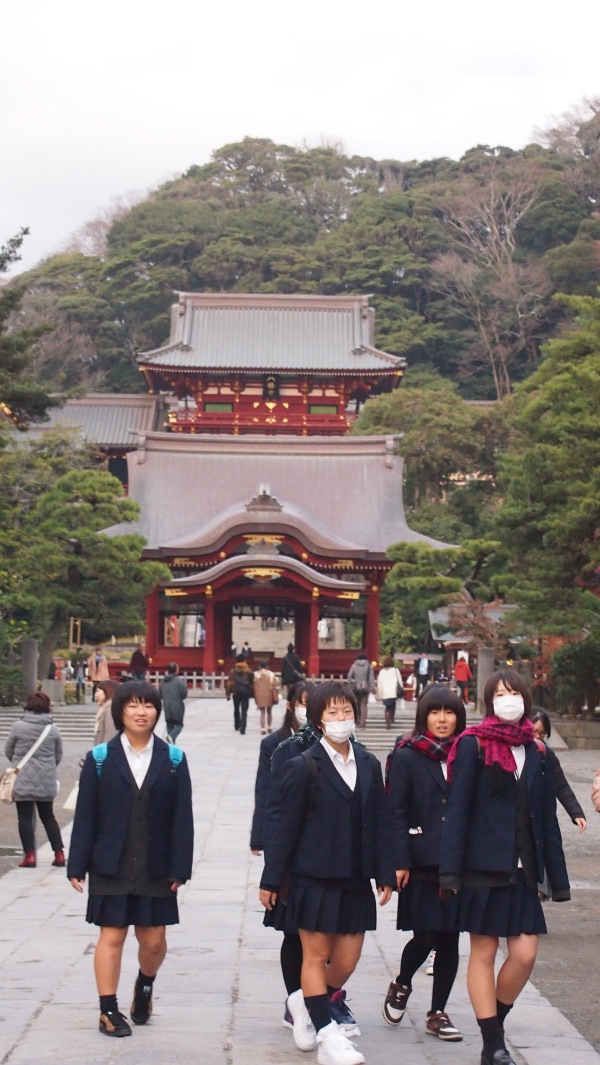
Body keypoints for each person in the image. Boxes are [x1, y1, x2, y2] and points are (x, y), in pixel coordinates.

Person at [439, 668, 571, 1065]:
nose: (507, 699)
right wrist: (450, 872)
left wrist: (556, 878)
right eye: (499, 693)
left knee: (525, 954)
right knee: (483, 950)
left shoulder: (536, 749)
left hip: (523, 868)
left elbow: (545, 816)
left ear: (525, 700)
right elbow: (457, 810)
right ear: (488, 701)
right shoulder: (472, 744)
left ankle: (493, 1026)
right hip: (482, 864)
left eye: (514, 692)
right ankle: (493, 1044)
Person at [260, 681, 394, 1065]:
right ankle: (328, 1036)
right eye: (332, 713)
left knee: (347, 961)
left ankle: (305, 1001)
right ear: (318, 719)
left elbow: (381, 821)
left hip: (355, 880)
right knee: (315, 957)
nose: (341, 719)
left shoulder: (368, 764)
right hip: (312, 877)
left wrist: (384, 871)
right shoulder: (302, 766)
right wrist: (271, 880)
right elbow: (284, 829)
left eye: (347, 711)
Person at [67, 680, 193, 1039]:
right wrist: (77, 864)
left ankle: (145, 985)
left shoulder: (173, 760)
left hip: (156, 864)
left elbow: (182, 818)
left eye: (149, 706)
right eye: (133, 706)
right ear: (120, 710)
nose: (141, 712)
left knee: (153, 941)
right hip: (111, 862)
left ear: (157, 711)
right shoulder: (100, 760)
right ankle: (108, 1010)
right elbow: (86, 815)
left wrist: (179, 868)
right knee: (112, 936)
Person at [383, 685, 466, 1041]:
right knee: (427, 933)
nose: (442, 719)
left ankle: (438, 1012)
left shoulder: (469, 754)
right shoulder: (406, 756)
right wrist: (399, 860)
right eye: (435, 712)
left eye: (449, 713)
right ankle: (402, 983)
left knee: (450, 938)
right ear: (424, 716)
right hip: (420, 859)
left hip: (459, 860)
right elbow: (395, 811)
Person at [5, 691, 65, 868]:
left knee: (24, 818)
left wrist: (17, 763)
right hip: (46, 779)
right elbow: (58, 754)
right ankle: (59, 854)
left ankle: (29, 856)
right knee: (48, 817)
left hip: (22, 777)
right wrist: (48, 768)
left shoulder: (18, 726)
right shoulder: (52, 728)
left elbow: (8, 750)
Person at [531, 709, 586, 831]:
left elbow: (561, 785)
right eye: (534, 731)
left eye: (542, 733)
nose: (538, 736)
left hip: (542, 814)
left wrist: (576, 813)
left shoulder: (547, 754)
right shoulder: (514, 750)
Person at [226, 654, 254, 734]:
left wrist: (228, 694)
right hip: (245, 691)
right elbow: (252, 682)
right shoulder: (249, 670)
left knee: (236, 709)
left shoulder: (233, 671)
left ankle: (237, 725)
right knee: (244, 710)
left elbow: (229, 683)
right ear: (244, 660)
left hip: (236, 691)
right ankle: (243, 727)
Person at [159, 663, 188, 743]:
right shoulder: (179, 681)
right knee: (179, 725)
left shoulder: (163, 681)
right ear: (176, 670)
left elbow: (160, 694)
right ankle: (171, 736)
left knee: (170, 725)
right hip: (177, 705)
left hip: (166, 705)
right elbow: (184, 694)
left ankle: (171, 746)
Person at [346, 653, 375, 729]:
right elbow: (371, 678)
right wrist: (372, 687)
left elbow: (349, 675)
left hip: (356, 687)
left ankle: (357, 720)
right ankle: (363, 722)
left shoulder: (354, 666)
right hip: (365, 687)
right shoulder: (369, 666)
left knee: (356, 704)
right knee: (363, 705)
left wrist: (350, 684)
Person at [376, 656, 404, 729]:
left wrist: (380, 693)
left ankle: (387, 722)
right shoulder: (395, 670)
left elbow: (380, 683)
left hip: (385, 692)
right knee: (393, 705)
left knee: (387, 708)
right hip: (394, 691)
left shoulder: (382, 672)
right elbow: (400, 681)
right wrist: (401, 690)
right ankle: (391, 718)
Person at [253, 660, 279, 735]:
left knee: (262, 713)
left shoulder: (255, 674)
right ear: (267, 667)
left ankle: (262, 728)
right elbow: (274, 684)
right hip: (269, 694)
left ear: (259, 667)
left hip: (259, 695)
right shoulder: (271, 674)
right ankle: (269, 727)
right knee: (269, 711)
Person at [93, 680, 120, 745]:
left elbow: (110, 739)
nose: (96, 695)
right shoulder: (105, 710)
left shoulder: (110, 712)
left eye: (98, 691)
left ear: (108, 691)